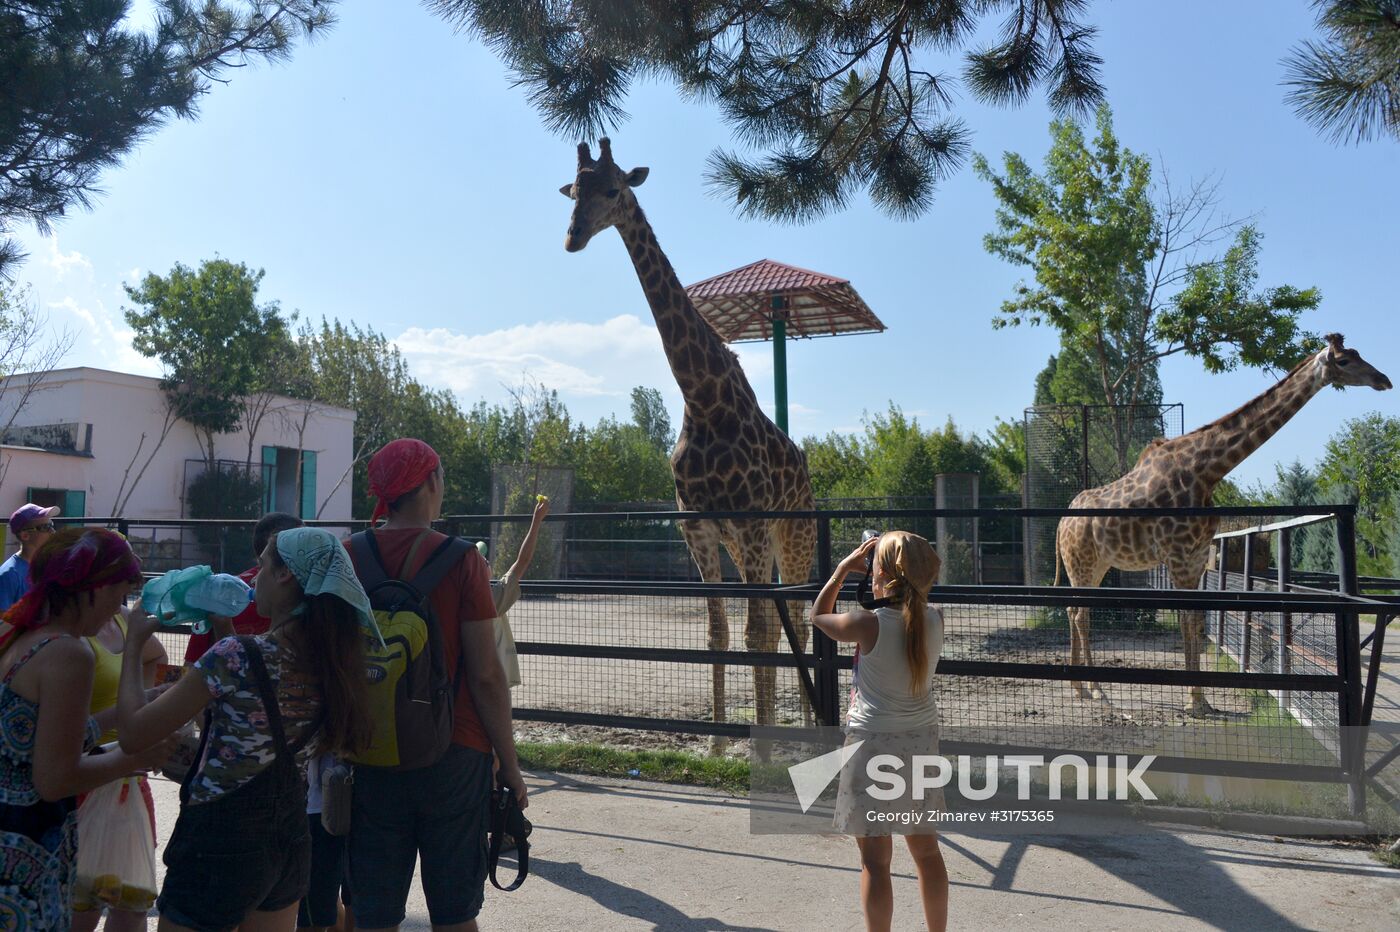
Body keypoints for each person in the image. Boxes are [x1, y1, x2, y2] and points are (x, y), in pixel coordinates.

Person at [116, 527, 375, 931]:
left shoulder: (235, 657)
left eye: (263, 565)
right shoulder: (333, 663)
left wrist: (133, 645)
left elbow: (133, 733)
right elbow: (261, 695)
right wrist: (223, 628)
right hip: (289, 838)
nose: (254, 577)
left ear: (286, 575)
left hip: (218, 842)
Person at [347, 438, 526, 932]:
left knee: (374, 912)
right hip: (455, 749)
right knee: (453, 911)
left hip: (370, 749)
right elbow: (487, 675)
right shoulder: (463, 559)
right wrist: (508, 764)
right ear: (430, 483)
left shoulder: (349, 557)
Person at [0, 528, 171, 929]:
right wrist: (135, 757)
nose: (119, 607)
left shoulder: (24, 636)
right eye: (120, 592)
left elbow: (34, 738)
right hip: (25, 849)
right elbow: (55, 778)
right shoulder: (69, 654)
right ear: (92, 588)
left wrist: (136, 705)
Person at [811, 531, 948, 932]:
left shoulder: (865, 624)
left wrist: (840, 571)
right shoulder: (935, 618)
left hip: (871, 745)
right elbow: (904, 607)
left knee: (875, 861)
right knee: (926, 854)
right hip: (921, 741)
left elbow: (819, 615)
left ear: (884, 579)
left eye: (874, 570)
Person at [70, 602, 169, 932]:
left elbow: (156, 656)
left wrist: (140, 704)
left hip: (129, 779)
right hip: (85, 779)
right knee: (81, 903)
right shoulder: (69, 634)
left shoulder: (122, 617)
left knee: (132, 905)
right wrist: (130, 714)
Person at [183, 512, 305, 666]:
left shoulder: (218, 597)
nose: (253, 579)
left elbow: (190, 667)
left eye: (261, 565)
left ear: (284, 572)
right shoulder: (321, 615)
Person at [481, 494, 550, 692]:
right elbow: (523, 561)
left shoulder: (464, 595)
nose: (487, 561)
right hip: (493, 679)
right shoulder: (492, 598)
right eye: (483, 561)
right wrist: (536, 521)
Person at [0, 503, 61, 611]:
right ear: (25, 535)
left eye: (51, 525)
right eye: (45, 527)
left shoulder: (49, 566)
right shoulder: (9, 575)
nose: (53, 531)